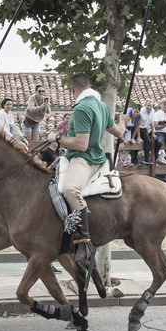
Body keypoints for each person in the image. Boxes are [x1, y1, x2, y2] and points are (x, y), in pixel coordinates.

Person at [48, 72, 129, 261]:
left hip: (84, 159)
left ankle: (85, 240)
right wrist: (123, 122)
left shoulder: (82, 108)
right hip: (93, 156)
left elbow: (81, 144)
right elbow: (118, 133)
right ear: (89, 85)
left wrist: (57, 138)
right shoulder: (102, 107)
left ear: (73, 90)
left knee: (70, 189)